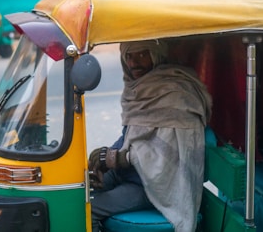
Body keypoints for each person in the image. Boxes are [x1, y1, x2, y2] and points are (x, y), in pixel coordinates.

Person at [89, 40, 212, 232]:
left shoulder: (177, 92)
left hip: (156, 184)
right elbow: (130, 136)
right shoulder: (141, 87)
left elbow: (170, 155)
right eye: (129, 56)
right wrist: (104, 157)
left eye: (142, 54)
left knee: (88, 209)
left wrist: (119, 158)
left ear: (157, 54)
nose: (133, 63)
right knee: (82, 190)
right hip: (131, 173)